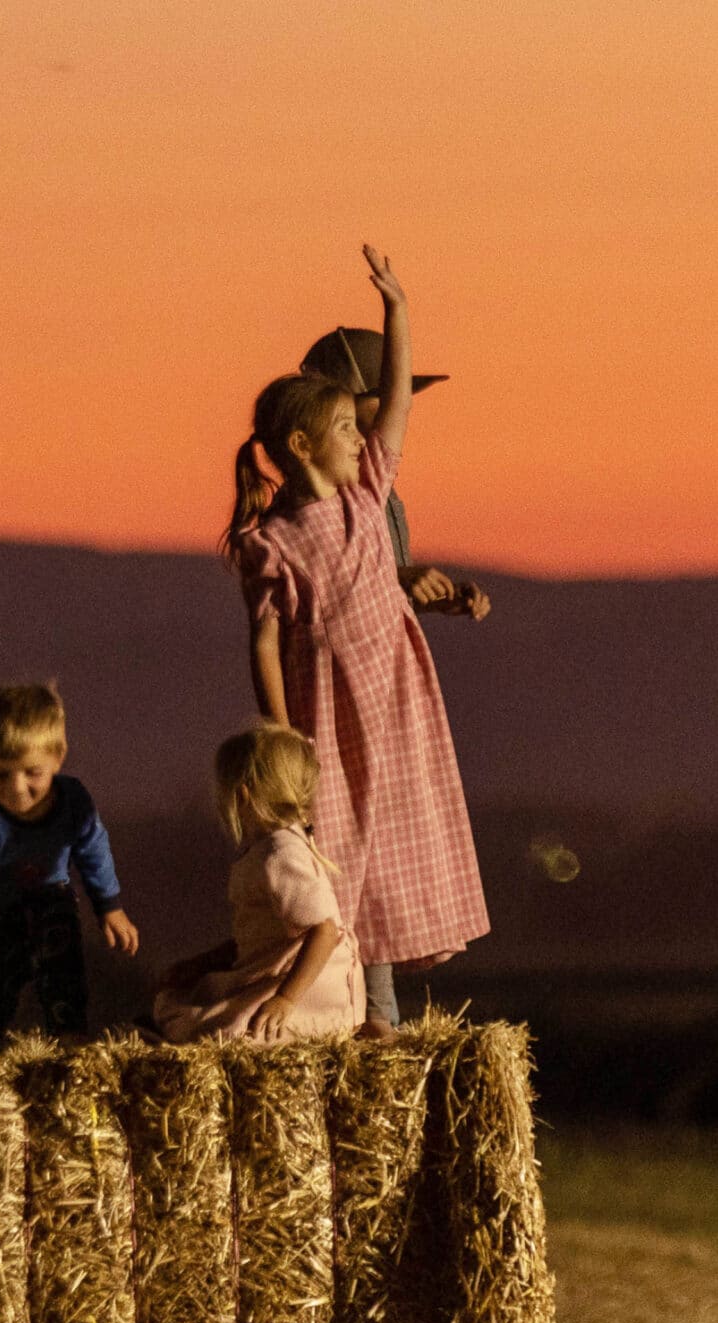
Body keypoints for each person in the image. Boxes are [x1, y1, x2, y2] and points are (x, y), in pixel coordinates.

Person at [223, 246, 489, 1037]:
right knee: (345, 853)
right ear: (304, 445)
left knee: (397, 843)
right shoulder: (272, 542)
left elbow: (397, 401)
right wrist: (280, 729)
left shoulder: (369, 495)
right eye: (345, 425)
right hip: (329, 718)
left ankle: (382, 1009)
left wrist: (398, 309)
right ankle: (363, 1012)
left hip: (398, 699)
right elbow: (265, 641)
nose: (361, 436)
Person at [0, 683, 138, 1050]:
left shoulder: (74, 801)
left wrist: (110, 907)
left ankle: (69, 1036)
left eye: (32, 773)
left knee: (62, 965)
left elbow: (93, 849)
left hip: (50, 899)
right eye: (0, 774)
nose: (16, 788)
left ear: (58, 758)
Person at [153, 725, 364, 1043]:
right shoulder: (269, 850)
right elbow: (261, 934)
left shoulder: (281, 854)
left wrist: (286, 1000)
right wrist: (203, 962)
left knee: (223, 1032)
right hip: (277, 972)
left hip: (310, 988)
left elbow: (325, 930)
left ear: (242, 794)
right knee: (192, 1000)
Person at [299, 324, 492, 622]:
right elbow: (315, 587)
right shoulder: (314, 493)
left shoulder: (381, 487)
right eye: (386, 397)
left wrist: (434, 599)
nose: (398, 408)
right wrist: (398, 577)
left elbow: (371, 596)